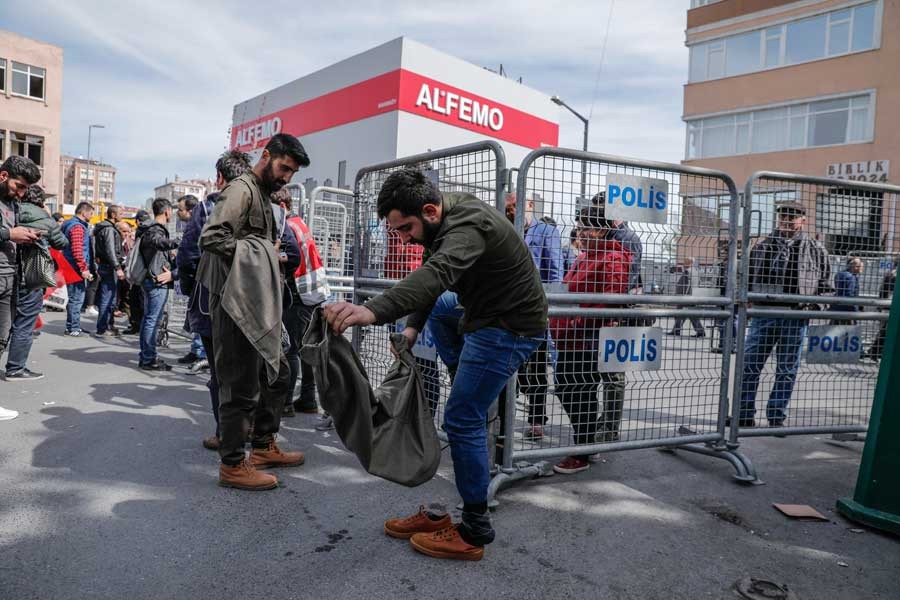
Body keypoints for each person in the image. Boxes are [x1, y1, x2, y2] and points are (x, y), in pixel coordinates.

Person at [324, 167, 546, 561]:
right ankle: (465, 378)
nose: (403, 238)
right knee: (444, 310)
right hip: (482, 314)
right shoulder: (441, 219)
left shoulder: (468, 225)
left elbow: (435, 275)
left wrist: (370, 311)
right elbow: (434, 281)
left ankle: (475, 530)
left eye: (405, 228)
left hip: (508, 327)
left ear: (428, 211)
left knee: (461, 418)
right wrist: (410, 331)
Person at [198, 133, 309, 490]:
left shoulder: (261, 194)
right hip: (234, 300)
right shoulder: (241, 190)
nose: (286, 177)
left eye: (292, 172)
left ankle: (262, 445)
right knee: (240, 383)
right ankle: (232, 464)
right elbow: (211, 237)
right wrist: (260, 254)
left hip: (253, 297)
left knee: (277, 373)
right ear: (267, 155)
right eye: (284, 168)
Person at [549, 205, 631, 474]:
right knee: (567, 386)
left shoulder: (613, 258)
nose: (580, 232)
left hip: (588, 338)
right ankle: (587, 440)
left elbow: (610, 301)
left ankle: (583, 450)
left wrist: (577, 320)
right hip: (570, 336)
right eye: (580, 226)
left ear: (603, 229)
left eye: (586, 227)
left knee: (579, 390)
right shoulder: (585, 257)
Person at [181, 150, 252, 450]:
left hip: (211, 300)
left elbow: (188, 254)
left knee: (220, 373)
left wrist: (192, 287)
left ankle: (227, 433)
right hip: (252, 304)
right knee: (248, 370)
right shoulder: (263, 207)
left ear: (220, 178)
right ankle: (250, 430)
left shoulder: (208, 207)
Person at [737, 202, 831, 428]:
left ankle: (776, 415)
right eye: (783, 216)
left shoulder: (817, 250)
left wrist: (811, 310)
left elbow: (827, 287)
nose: (787, 220)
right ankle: (744, 414)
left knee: (787, 370)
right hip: (763, 315)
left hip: (795, 317)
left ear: (803, 220)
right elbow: (744, 280)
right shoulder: (761, 247)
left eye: (793, 217)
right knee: (749, 365)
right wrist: (747, 304)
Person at [503, 191, 562, 440]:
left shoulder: (546, 232)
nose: (511, 212)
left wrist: (551, 309)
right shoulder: (507, 231)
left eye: (515, 207)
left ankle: (537, 419)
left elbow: (556, 272)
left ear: (529, 204)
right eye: (507, 208)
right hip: (508, 309)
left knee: (536, 369)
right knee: (507, 366)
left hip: (536, 309)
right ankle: (503, 418)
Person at [5, 184, 69, 380]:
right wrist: (48, 218)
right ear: (41, 200)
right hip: (31, 276)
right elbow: (62, 243)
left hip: (7, 273)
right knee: (25, 322)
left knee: (6, 320)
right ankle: (15, 368)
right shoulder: (43, 217)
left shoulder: (11, 210)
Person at [137, 198, 179, 371]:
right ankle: (148, 359)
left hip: (151, 278)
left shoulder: (147, 227)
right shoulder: (155, 229)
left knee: (149, 319)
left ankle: (147, 356)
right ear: (167, 211)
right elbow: (157, 241)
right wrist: (176, 243)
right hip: (156, 280)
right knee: (152, 320)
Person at [173, 194, 206, 366]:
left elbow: (191, 256)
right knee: (195, 318)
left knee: (201, 318)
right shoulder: (192, 227)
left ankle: (201, 355)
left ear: (191, 211)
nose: (178, 213)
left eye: (180, 209)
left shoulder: (198, 228)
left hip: (199, 279)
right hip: (194, 280)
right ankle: (196, 350)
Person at [60, 202, 95, 336]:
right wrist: (83, 268)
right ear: (84, 212)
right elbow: (77, 250)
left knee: (74, 297)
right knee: (76, 298)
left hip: (69, 265)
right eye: (91, 213)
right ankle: (73, 328)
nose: (92, 216)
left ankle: (72, 326)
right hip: (75, 268)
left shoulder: (69, 224)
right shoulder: (77, 227)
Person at [92, 205, 126, 337]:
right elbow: (110, 250)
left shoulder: (103, 228)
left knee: (110, 298)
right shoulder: (108, 230)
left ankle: (108, 326)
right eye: (120, 213)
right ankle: (103, 328)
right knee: (107, 298)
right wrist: (117, 268)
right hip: (109, 267)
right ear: (113, 215)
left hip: (106, 265)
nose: (122, 215)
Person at [124, 210, 153, 335]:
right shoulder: (152, 230)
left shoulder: (142, 231)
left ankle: (139, 326)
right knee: (138, 300)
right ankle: (138, 325)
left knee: (139, 301)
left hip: (140, 272)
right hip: (145, 272)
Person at [865, 262, 895, 361]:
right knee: (886, 330)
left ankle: (875, 351)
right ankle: (875, 351)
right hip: (890, 306)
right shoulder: (894, 275)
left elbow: (883, 291)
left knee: (885, 330)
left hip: (886, 305)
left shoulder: (891, 273)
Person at [668, 261, 705, 337]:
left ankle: (676, 330)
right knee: (693, 315)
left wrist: (682, 296)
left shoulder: (687, 271)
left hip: (685, 296)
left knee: (680, 314)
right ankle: (700, 331)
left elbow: (686, 284)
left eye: (685, 261)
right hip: (693, 295)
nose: (684, 263)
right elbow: (699, 283)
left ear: (689, 263)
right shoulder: (696, 271)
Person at [830, 257, 863, 323]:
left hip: (836, 308)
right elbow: (849, 295)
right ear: (855, 266)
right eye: (861, 266)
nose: (862, 268)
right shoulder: (851, 277)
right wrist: (855, 312)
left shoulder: (839, 274)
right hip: (847, 312)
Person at [116, 221, 134, 321]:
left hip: (125, 273)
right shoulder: (116, 241)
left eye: (128, 231)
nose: (126, 234)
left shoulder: (126, 242)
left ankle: (132, 321)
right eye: (124, 231)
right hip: (117, 272)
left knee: (127, 297)